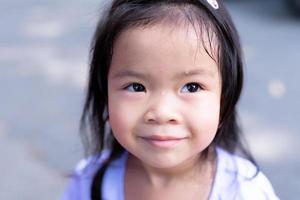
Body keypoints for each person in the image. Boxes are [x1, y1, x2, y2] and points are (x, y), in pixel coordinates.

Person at [62, 0, 279, 199]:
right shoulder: (89, 183)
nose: (162, 113)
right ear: (105, 94)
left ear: (223, 101)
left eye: (192, 87)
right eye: (136, 87)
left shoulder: (245, 191)